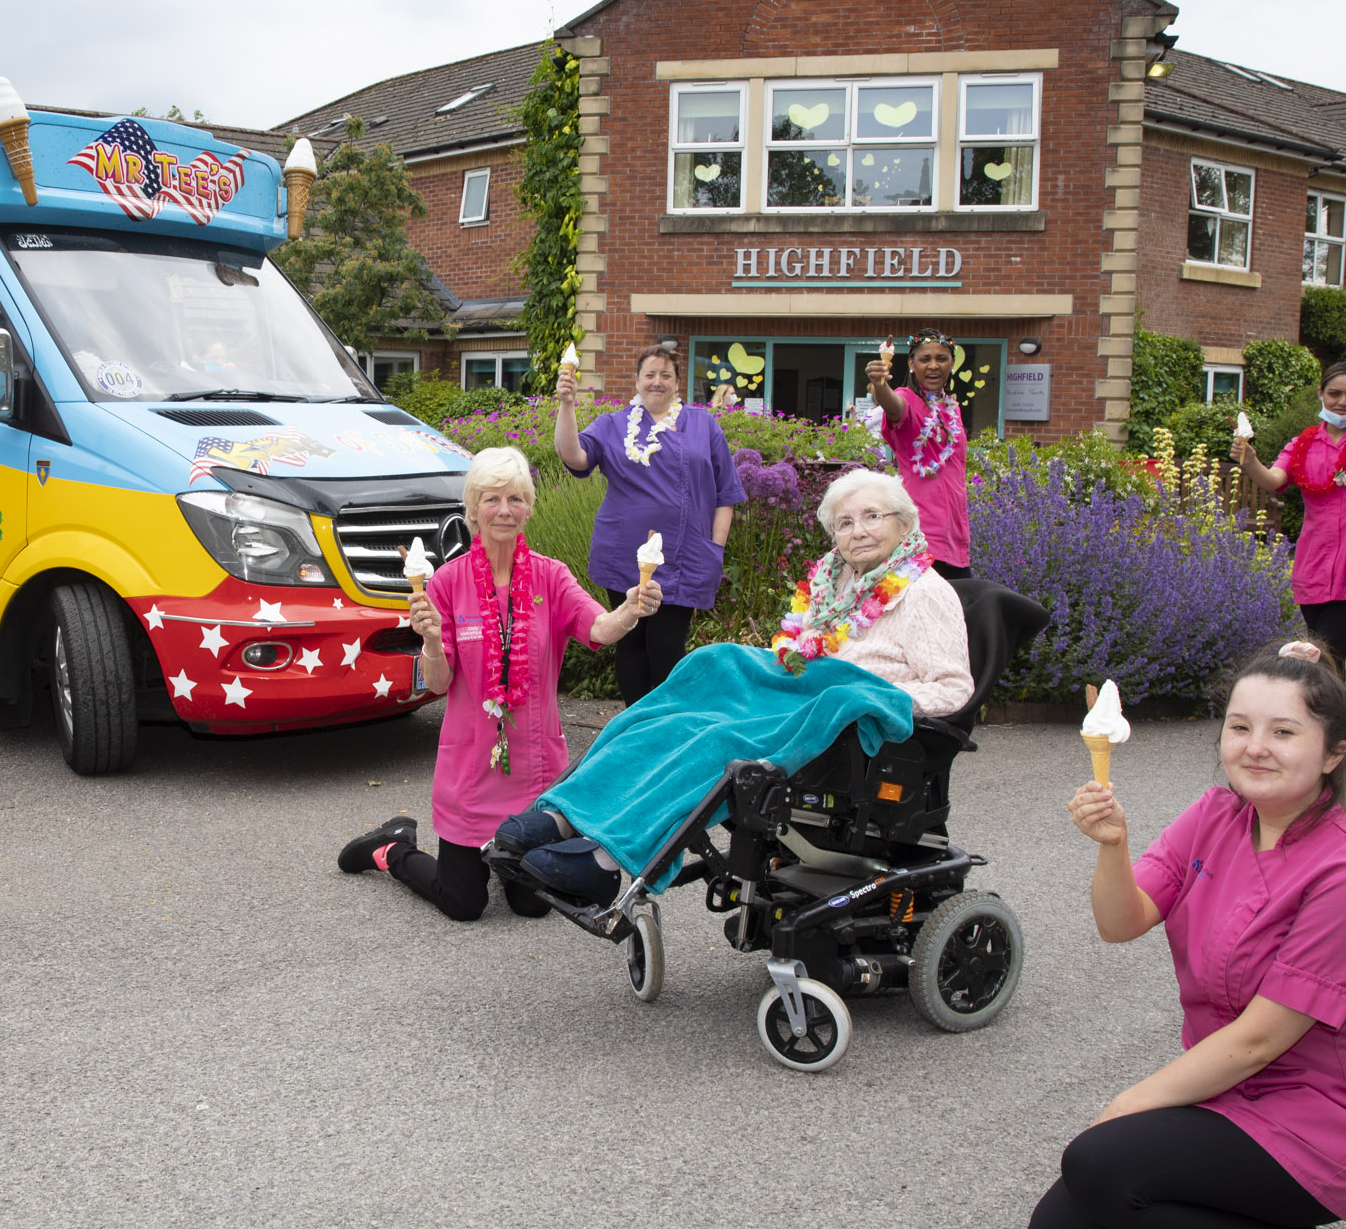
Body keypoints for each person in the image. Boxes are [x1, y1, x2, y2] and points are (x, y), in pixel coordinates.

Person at [1030, 638, 1346, 1229]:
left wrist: (1123, 1109)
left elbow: (1258, 1040)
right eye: (1240, 727)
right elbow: (1121, 922)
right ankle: (1224, 1214)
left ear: (1333, 753)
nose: (1254, 746)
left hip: (1311, 1119)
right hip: (1221, 1095)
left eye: (1283, 731)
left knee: (1098, 1163)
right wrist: (1112, 844)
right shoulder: (1215, 814)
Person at [337, 447, 659, 921]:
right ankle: (391, 848)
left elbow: (599, 629)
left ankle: (507, 860)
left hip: (535, 770)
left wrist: (631, 608)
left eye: (515, 498)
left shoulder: (551, 576)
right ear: (472, 511)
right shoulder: (447, 583)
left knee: (533, 906)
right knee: (463, 904)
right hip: (472, 770)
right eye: (491, 499)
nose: (504, 510)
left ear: (528, 508)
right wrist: (430, 640)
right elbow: (439, 682)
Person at [553, 340, 745, 704]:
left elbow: (726, 492)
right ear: (637, 380)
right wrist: (567, 404)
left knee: (667, 645)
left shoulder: (703, 424)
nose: (657, 381)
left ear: (677, 383)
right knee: (631, 642)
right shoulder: (613, 424)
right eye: (650, 374)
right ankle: (634, 723)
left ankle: (664, 726)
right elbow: (574, 456)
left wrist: (715, 548)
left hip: (685, 556)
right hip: (623, 553)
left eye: (666, 375)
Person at [1233, 361, 1346, 665]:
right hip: (1314, 563)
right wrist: (1250, 461)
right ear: (1321, 393)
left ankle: (1327, 699)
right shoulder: (1303, 443)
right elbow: (1274, 480)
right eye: (1334, 393)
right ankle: (1329, 699)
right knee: (1324, 657)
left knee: (1326, 652)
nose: (1343, 402)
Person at [775, 469, 972, 717]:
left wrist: (867, 698)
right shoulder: (827, 584)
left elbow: (952, 688)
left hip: (855, 725)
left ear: (904, 525)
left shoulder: (924, 593)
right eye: (845, 523)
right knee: (730, 661)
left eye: (872, 516)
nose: (858, 532)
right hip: (799, 700)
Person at [864, 331, 973, 579]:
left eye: (941, 358)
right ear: (912, 364)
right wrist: (880, 385)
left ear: (952, 364)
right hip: (920, 539)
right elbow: (894, 407)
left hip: (955, 539)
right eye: (925, 359)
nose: (934, 365)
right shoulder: (907, 398)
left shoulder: (951, 409)